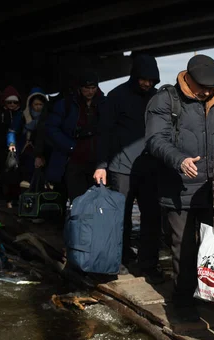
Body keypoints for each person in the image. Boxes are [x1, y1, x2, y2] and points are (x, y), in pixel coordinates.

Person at [146, 54, 214, 320]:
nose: (206, 92)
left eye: (210, 88)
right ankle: (182, 302)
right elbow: (156, 140)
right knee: (183, 248)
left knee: (211, 246)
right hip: (177, 188)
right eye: (201, 87)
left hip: (211, 187)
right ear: (188, 78)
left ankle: (209, 294)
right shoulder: (165, 100)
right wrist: (179, 160)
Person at [94, 52, 162, 275]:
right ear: (135, 76)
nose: (147, 83)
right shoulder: (115, 96)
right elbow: (103, 132)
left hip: (150, 167)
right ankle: (120, 259)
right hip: (121, 168)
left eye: (151, 80)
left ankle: (149, 263)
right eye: (144, 79)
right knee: (120, 217)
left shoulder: (158, 97)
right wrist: (101, 164)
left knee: (152, 216)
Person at [45, 71, 106, 203]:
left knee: (96, 201)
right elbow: (51, 128)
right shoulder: (66, 104)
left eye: (93, 88)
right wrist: (71, 146)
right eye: (86, 88)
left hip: (96, 160)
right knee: (77, 199)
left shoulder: (105, 103)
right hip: (73, 159)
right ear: (79, 87)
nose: (90, 91)